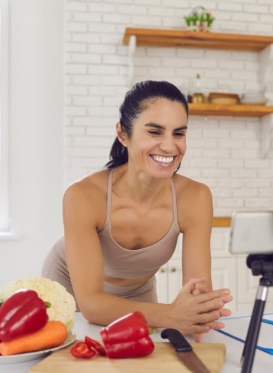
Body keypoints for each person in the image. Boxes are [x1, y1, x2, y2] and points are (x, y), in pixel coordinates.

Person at [42, 80, 233, 338]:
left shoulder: (196, 197)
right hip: (71, 287)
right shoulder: (83, 196)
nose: (169, 146)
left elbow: (197, 290)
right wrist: (170, 314)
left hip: (138, 293)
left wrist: (199, 310)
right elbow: (91, 305)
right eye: (155, 132)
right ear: (123, 134)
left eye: (179, 133)